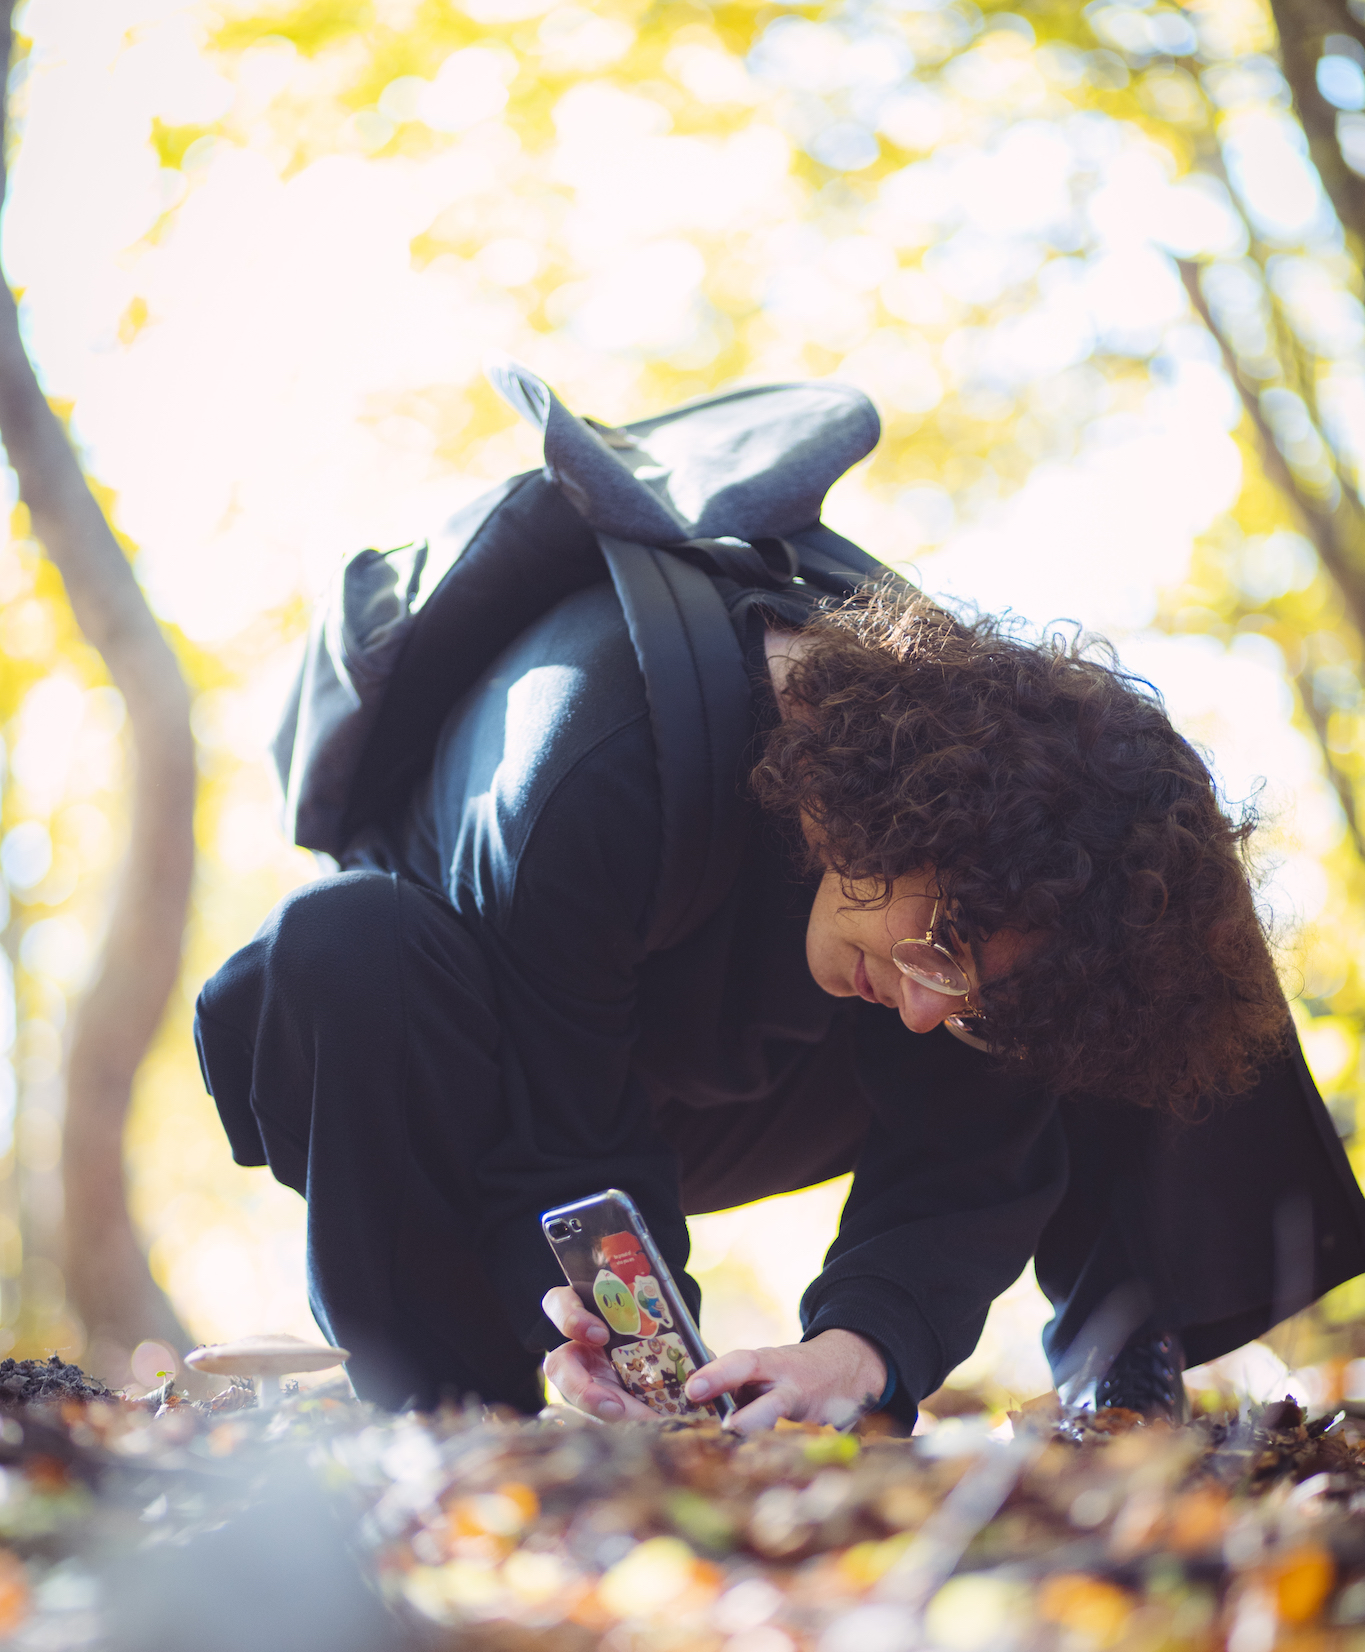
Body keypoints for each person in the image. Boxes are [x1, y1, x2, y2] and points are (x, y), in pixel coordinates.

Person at [194, 572, 1365, 1432]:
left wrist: (857, 1354)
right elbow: (565, 1143)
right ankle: (441, 1409)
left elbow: (970, 1150)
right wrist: (631, 1368)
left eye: (957, 981)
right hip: (473, 1067)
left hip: (751, 1073)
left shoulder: (971, 874)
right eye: (940, 946)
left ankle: (1124, 1345)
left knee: (1140, 855)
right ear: (904, 810)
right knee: (343, 948)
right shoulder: (595, 760)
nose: (923, 1009)